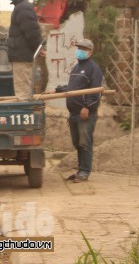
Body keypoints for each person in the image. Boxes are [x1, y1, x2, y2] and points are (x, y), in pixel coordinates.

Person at [48, 38, 103, 183]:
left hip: (85, 113)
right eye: (79, 48)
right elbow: (73, 88)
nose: (80, 51)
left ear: (90, 52)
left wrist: (87, 107)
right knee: (77, 143)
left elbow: (96, 92)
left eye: (83, 49)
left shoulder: (93, 69)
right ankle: (80, 170)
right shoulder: (77, 68)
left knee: (85, 142)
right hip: (73, 113)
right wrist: (58, 89)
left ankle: (85, 171)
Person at [2, 0, 43, 101]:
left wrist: (38, 47)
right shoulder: (20, 7)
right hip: (20, 54)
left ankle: (27, 117)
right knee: (22, 90)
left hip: (23, 55)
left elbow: (31, 31)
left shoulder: (23, 7)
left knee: (23, 94)